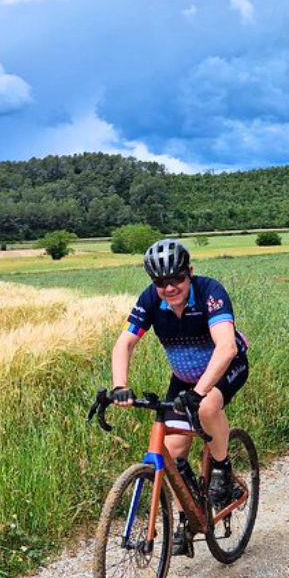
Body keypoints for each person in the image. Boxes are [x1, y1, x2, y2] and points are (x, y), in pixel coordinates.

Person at [110, 238, 250, 557]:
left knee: (208, 406)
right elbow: (125, 344)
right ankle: (190, 512)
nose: (170, 287)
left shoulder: (209, 292)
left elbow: (226, 348)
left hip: (226, 367)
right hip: (184, 378)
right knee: (171, 453)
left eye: (176, 278)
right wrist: (120, 385)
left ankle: (222, 471)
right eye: (161, 282)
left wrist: (199, 392)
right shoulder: (150, 300)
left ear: (190, 272)